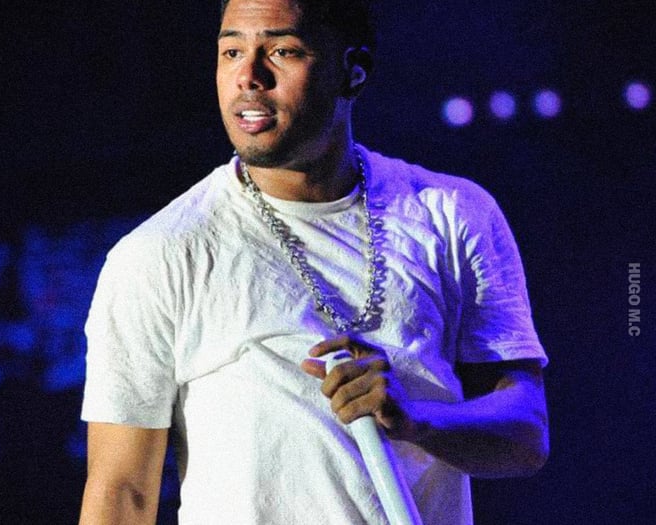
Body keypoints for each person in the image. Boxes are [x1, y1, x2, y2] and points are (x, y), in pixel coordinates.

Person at [78, 0, 549, 523]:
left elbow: (526, 435)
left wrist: (417, 420)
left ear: (354, 70)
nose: (249, 77)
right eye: (231, 52)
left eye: (282, 51)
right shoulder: (161, 253)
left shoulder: (453, 214)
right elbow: (122, 493)